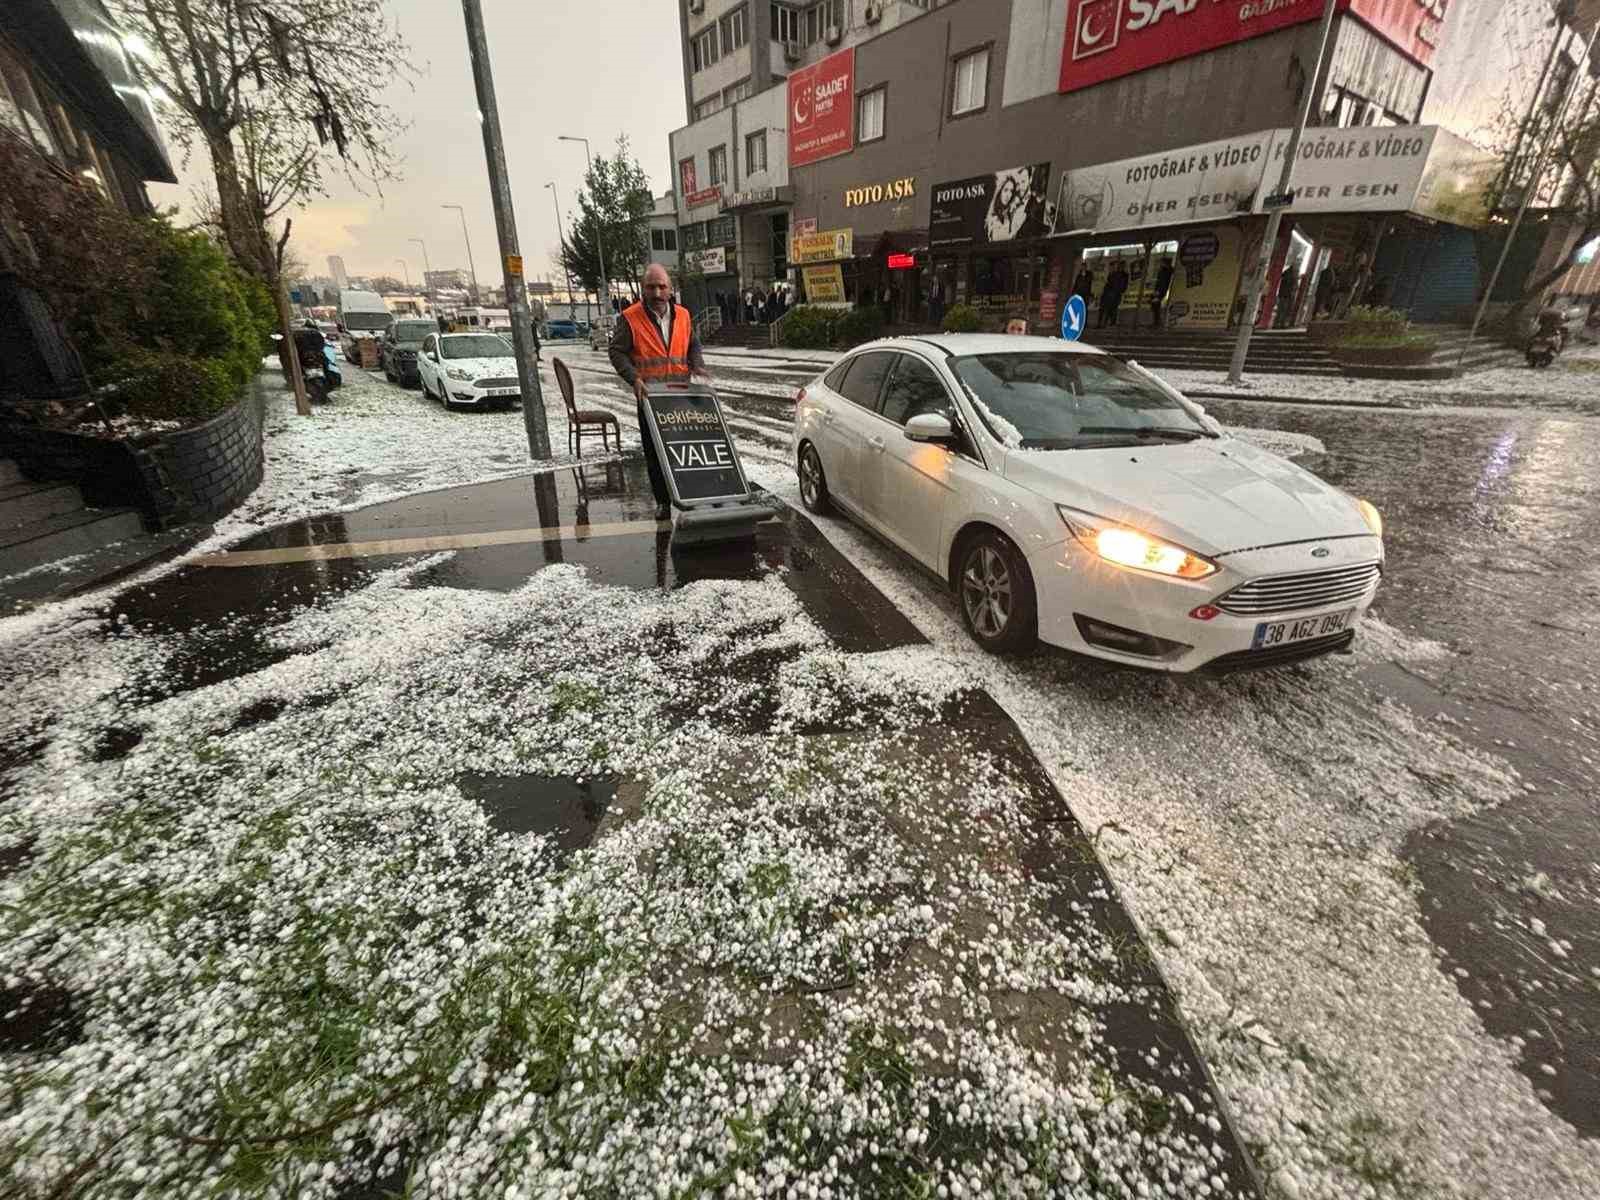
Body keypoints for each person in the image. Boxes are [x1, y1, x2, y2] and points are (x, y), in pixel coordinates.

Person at [609, 263, 711, 519]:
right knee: (654, 452)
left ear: (670, 289)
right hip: (650, 397)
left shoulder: (683, 315)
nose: (656, 293)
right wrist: (633, 378)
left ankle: (689, 495)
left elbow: (693, 344)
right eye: (651, 287)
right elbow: (616, 351)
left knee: (686, 448)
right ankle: (663, 502)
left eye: (662, 287)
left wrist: (697, 364)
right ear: (643, 289)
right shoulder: (630, 318)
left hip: (680, 394)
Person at [1100, 262, 1129, 328]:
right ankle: (1110, 322)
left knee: (1113, 308)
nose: (1121, 267)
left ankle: (1112, 322)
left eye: (1122, 266)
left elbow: (1123, 285)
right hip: (1111, 294)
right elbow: (1109, 284)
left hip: (1116, 293)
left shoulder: (1123, 275)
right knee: (1110, 308)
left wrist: (1120, 291)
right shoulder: (1113, 274)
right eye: (1120, 266)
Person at [1151, 258, 1175, 329]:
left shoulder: (1167, 271)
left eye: (1162, 263)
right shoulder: (1163, 271)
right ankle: (1157, 321)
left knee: (1156, 304)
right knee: (1155, 304)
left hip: (1161, 290)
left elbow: (1162, 282)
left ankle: (1157, 322)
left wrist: (1157, 291)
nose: (1160, 264)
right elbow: (1159, 282)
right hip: (1160, 290)